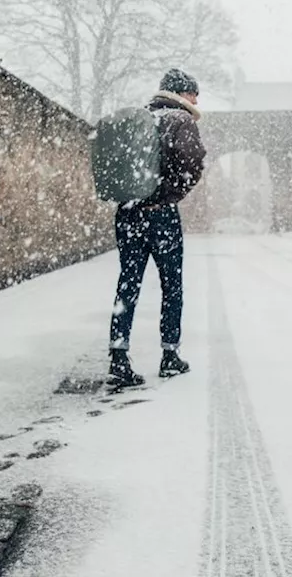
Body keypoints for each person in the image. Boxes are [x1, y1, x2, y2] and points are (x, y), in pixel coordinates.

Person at [107, 69, 207, 386]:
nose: (196, 100)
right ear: (183, 94)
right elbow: (191, 163)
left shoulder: (142, 118)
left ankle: (119, 356)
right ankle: (169, 355)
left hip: (127, 213)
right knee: (171, 286)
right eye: (194, 93)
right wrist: (168, 195)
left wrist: (136, 198)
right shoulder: (180, 120)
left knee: (128, 284)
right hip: (160, 215)